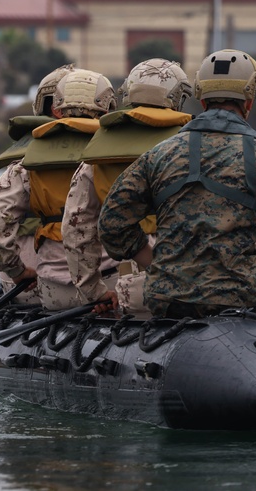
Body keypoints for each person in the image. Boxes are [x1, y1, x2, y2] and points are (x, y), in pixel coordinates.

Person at [98, 49, 256, 324]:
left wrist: (156, 261)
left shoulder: (158, 155)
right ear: (249, 101)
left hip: (167, 296)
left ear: (201, 98)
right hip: (244, 294)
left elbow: (111, 224)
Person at [63, 59, 193, 317]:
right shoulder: (195, 148)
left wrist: (94, 292)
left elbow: (75, 229)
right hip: (193, 282)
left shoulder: (97, 156)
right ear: (177, 98)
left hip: (134, 288)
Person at [0, 69, 118, 310]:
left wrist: (17, 271)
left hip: (51, 291)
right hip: (111, 288)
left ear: (56, 108)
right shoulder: (120, 160)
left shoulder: (24, 167)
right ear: (108, 107)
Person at [0, 64, 76, 304]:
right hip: (98, 285)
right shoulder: (106, 159)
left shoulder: (23, 163)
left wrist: (15, 272)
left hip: (28, 285)